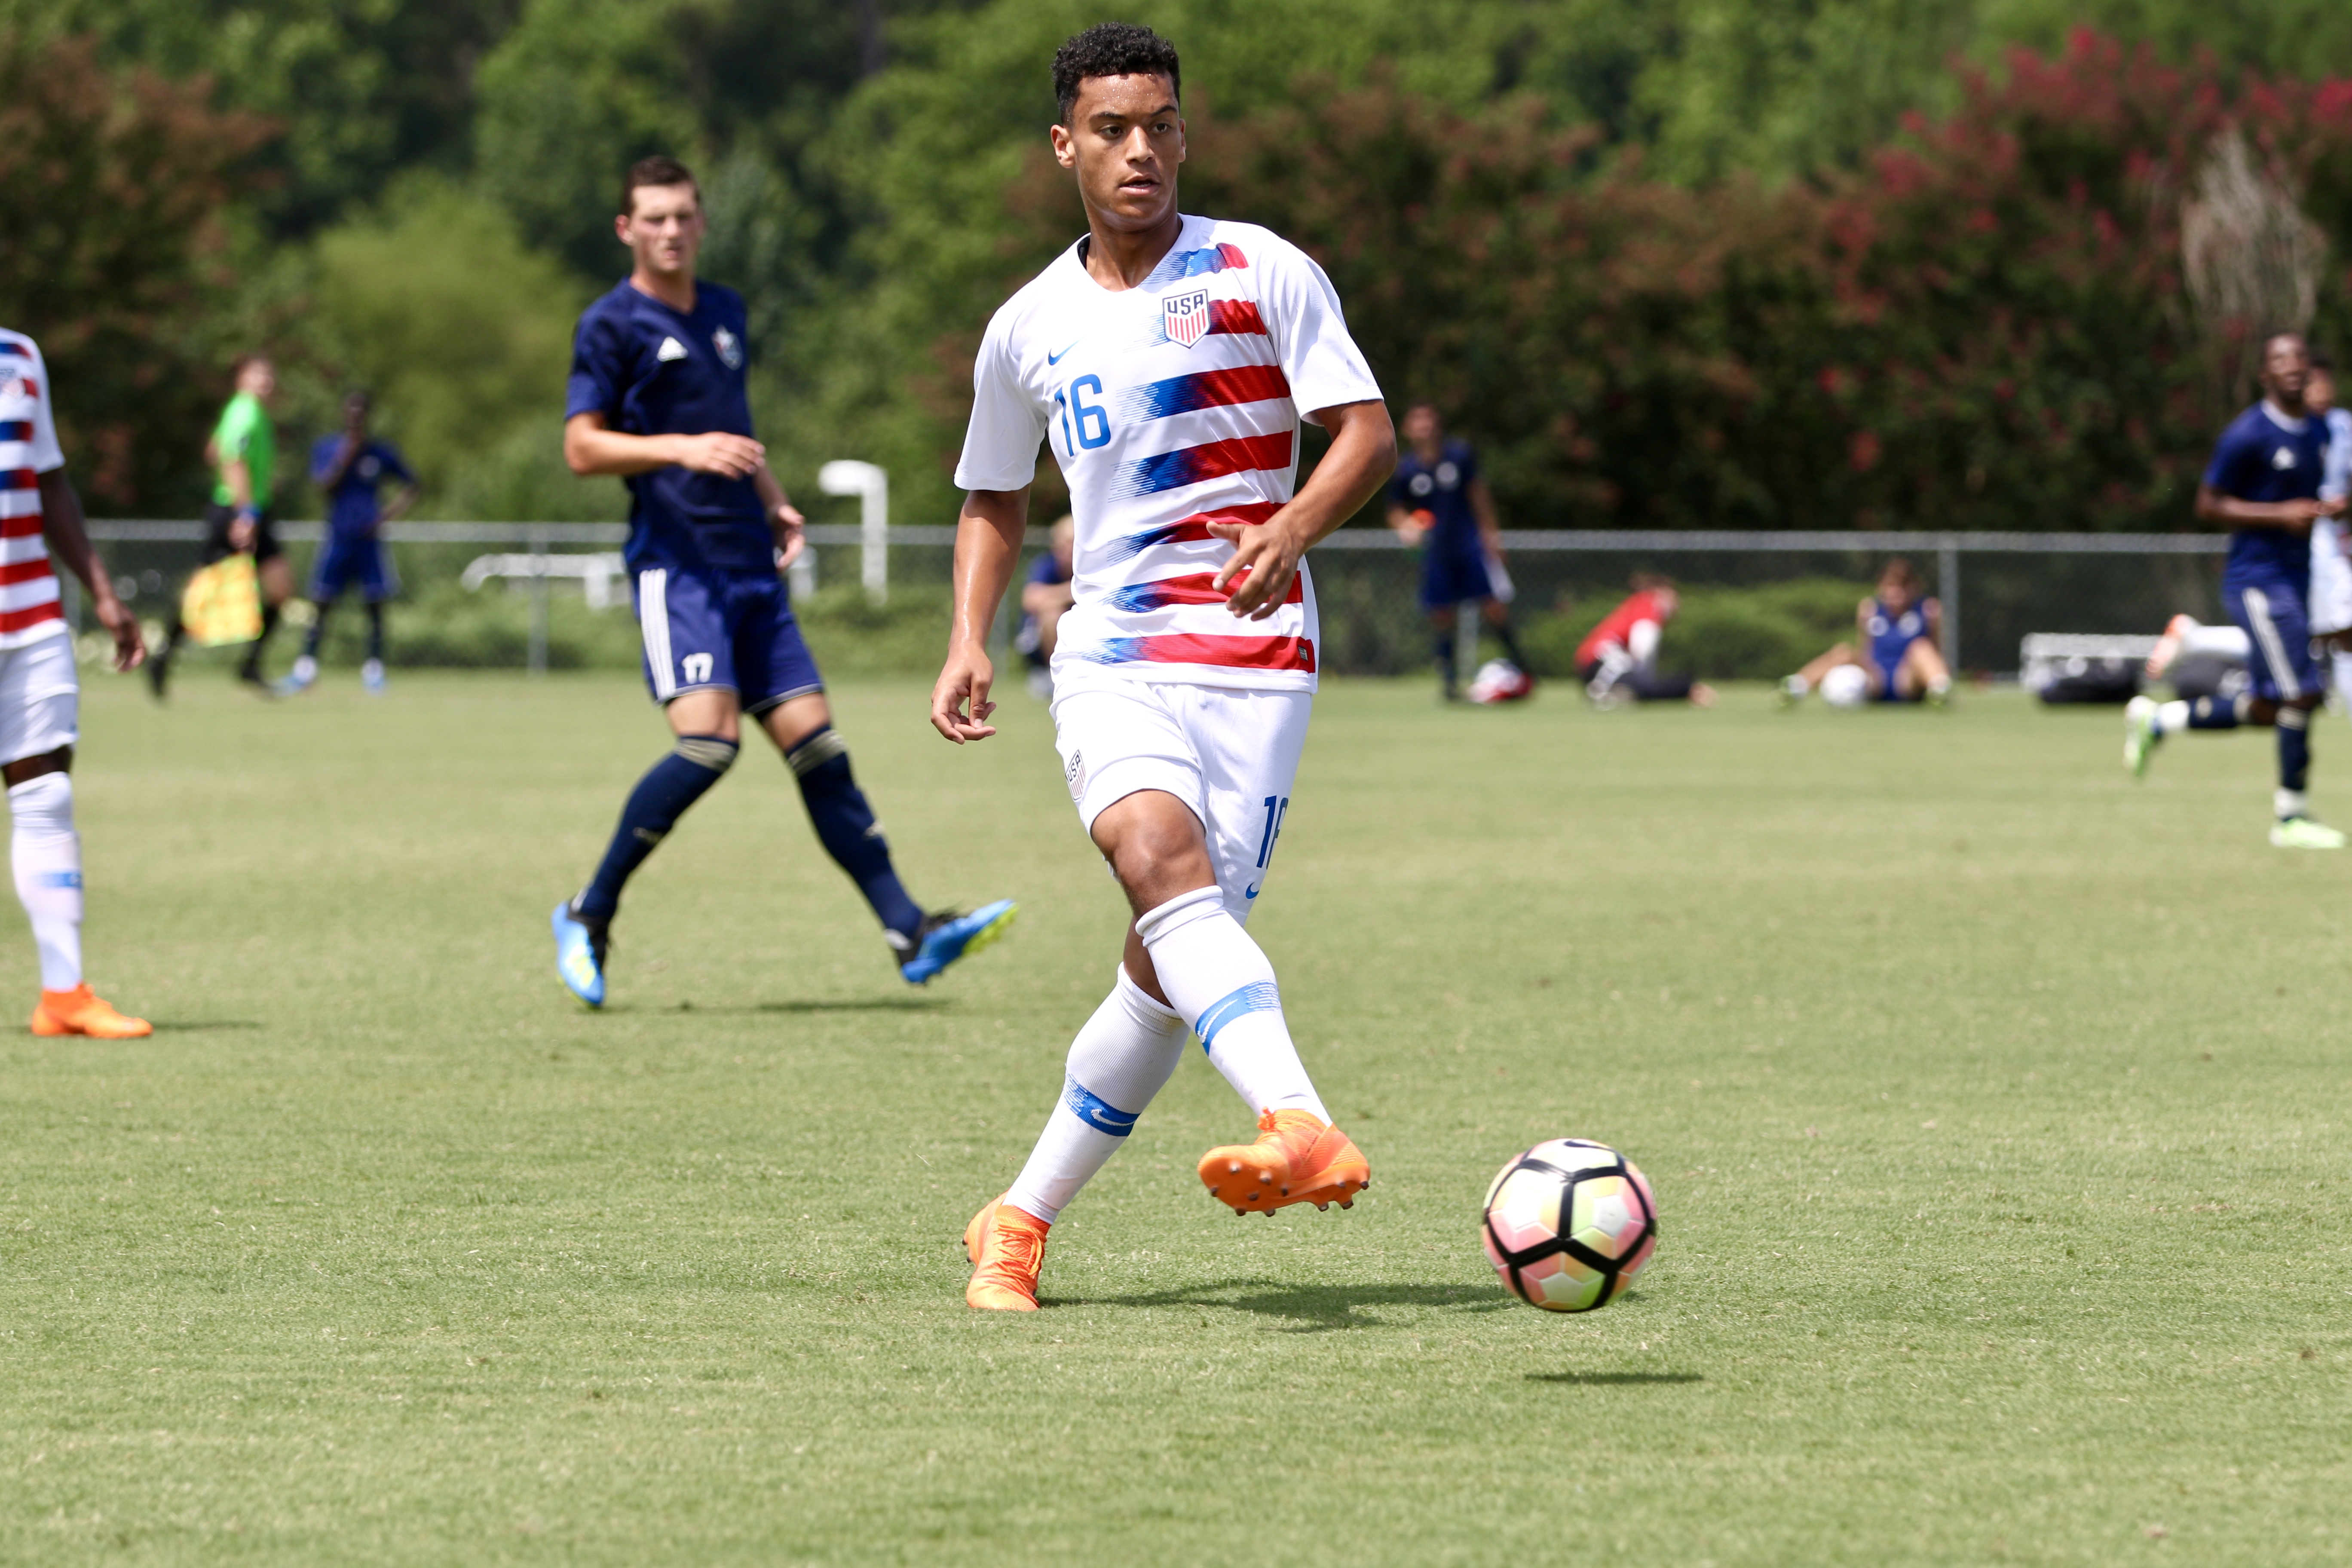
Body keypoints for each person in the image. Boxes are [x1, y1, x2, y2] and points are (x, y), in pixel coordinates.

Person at [933, 23, 1394, 1311]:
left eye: (1163, 125)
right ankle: (1298, 1119)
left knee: (1164, 965)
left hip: (1260, 662)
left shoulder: (1262, 270)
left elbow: (1364, 432)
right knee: (1154, 855)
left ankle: (1015, 1221)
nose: (1142, 150)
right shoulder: (1027, 325)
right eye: (1115, 129)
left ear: (1183, 134)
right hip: (1116, 652)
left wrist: (1295, 522)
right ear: (1065, 145)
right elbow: (991, 496)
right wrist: (971, 636)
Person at [549, 155, 1016, 1006]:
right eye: (653, 218)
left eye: (685, 215)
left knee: (819, 749)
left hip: (749, 568)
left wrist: (772, 496)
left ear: (700, 222)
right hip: (677, 568)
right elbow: (583, 445)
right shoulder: (610, 324)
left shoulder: (725, 310)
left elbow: (733, 424)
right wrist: (680, 451)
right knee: (708, 743)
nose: (671, 230)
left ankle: (908, 929)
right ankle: (588, 912)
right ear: (627, 229)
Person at [2124, 331, 2346, 848]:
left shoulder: (2316, 431)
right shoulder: (2247, 435)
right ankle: (2291, 817)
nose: (2293, 366)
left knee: (2271, 708)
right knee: (2303, 694)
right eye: (2280, 360)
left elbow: (2306, 498)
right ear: (2266, 376)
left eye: (2300, 358)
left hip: (2297, 578)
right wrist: (2279, 515)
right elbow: (2208, 504)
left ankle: (2161, 722)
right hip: (2259, 581)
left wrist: (2331, 508)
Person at [0, 328, 152, 1037]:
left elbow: (49, 481)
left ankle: (64, 994)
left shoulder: (21, 355)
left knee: (46, 792)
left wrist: (102, 592)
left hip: (29, 614)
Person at [150, 354, 292, 697]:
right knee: (204, 590)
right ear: (241, 378)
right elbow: (232, 460)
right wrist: (245, 513)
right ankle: (162, 657)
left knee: (281, 589)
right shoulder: (245, 411)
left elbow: (215, 451)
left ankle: (250, 665)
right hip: (235, 513)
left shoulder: (253, 414)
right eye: (258, 374)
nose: (265, 381)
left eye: (269, 374)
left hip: (253, 509)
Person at [278, 391, 417, 697]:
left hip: (369, 541)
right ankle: (306, 669)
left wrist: (387, 515)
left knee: (375, 605)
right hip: (338, 537)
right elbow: (324, 488)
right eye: (350, 412)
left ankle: (374, 670)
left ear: (367, 416)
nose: (355, 418)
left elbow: (412, 484)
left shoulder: (381, 453)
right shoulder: (328, 448)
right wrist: (345, 457)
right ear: (343, 415)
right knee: (322, 602)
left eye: (361, 413)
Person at [1387, 403, 1527, 701]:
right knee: (1441, 614)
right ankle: (1449, 683)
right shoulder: (1407, 469)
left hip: (1470, 546)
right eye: (1417, 422)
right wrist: (1406, 527)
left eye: (1428, 421)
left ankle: (1524, 671)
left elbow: (1479, 497)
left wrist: (1492, 537)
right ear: (1408, 429)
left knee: (1494, 607)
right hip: (1436, 553)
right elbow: (1396, 510)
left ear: (1437, 425)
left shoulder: (1459, 456)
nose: (1424, 427)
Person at [1776, 558, 1952, 707]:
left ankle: (1940, 690)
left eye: (1902, 586)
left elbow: (1936, 652)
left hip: (1907, 679)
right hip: (1877, 678)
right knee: (1843, 651)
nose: (1896, 592)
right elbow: (1864, 649)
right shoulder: (1870, 609)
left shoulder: (1929, 609)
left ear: (1913, 587)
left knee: (1921, 647)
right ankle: (1795, 688)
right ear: (1881, 586)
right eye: (1890, 585)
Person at [1575, 575, 1716, 707]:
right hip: (1602, 660)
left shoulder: (1640, 603)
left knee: (1645, 687)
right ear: (1663, 593)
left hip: (1596, 664)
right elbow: (1642, 646)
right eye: (1675, 597)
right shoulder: (1649, 605)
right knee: (1646, 687)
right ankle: (1687, 689)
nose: (1678, 604)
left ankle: (1614, 692)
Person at [2303, 352, 2352, 710]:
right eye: (2312, 382)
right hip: (2297, 544)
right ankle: (2198, 640)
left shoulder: (2344, 426)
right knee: (2313, 634)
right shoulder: (2286, 428)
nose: (2321, 389)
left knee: (2343, 634)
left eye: (2326, 381)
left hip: (2337, 543)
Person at [1016, 514, 1075, 698]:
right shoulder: (1046, 566)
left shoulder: (1094, 567)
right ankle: (1055, 676)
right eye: (1062, 544)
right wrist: (1075, 591)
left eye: (1071, 543)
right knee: (1051, 614)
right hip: (1036, 642)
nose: (1065, 550)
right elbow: (1032, 600)